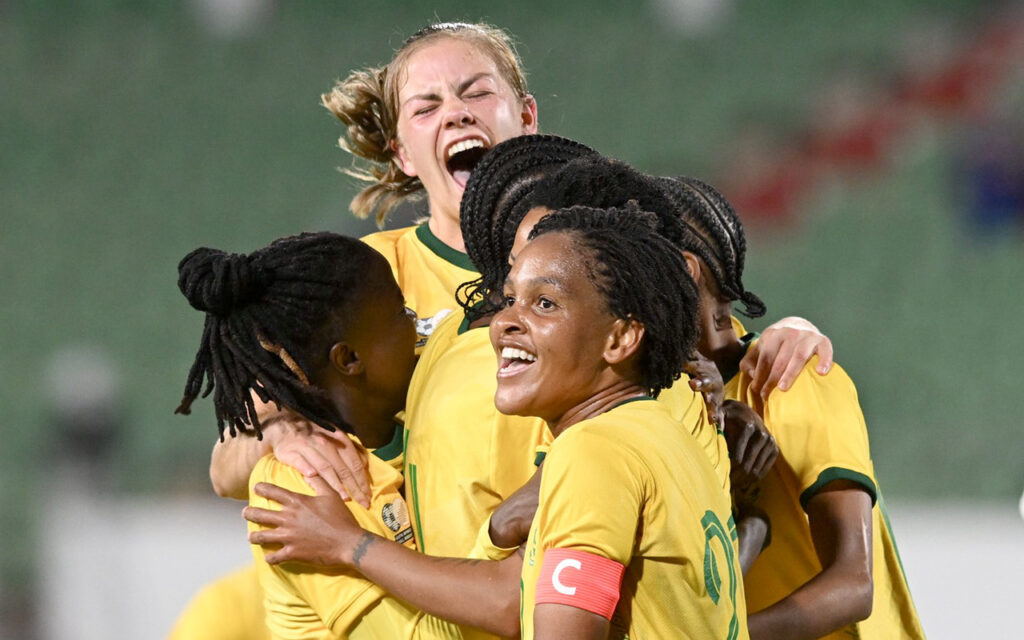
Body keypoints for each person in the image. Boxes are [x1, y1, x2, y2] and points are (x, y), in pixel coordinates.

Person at [245, 205, 748, 639]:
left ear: (619, 339)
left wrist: (353, 546)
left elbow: (528, 613)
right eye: (509, 298)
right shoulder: (674, 426)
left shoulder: (593, 451)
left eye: (544, 303)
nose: (504, 321)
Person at [661, 175, 925, 639]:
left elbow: (852, 586)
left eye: (630, 268)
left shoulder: (791, 377)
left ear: (684, 271)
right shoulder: (663, 399)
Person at [174, 233, 458, 639]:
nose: (417, 327)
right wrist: (516, 584)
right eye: (402, 314)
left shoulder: (409, 422)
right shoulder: (301, 485)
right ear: (349, 359)